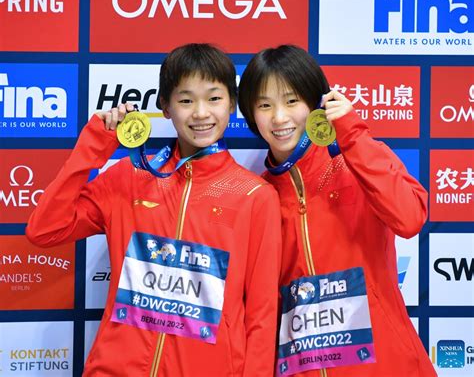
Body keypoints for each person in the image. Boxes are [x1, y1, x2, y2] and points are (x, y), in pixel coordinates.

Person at [26, 43, 281, 376]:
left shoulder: (254, 195)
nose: (201, 113)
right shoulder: (129, 176)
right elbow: (44, 230)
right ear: (165, 107)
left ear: (232, 104)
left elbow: (261, 316)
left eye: (214, 98)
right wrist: (94, 145)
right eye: (186, 100)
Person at [238, 45, 436, 377]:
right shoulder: (258, 195)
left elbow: (409, 216)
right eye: (264, 105)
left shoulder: (355, 163)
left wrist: (353, 135)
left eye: (291, 101)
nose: (279, 118)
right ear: (250, 115)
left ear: (316, 103)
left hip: (388, 366)